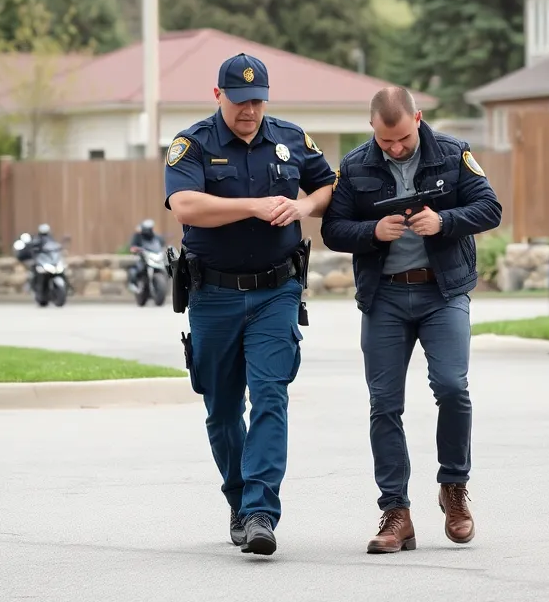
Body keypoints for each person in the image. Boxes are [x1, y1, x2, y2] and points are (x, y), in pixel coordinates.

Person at [164, 53, 336, 556]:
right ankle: (239, 502)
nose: (249, 111)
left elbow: (330, 185)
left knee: (270, 396)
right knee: (221, 410)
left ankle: (261, 510)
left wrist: (303, 205)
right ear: (218, 96)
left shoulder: (290, 138)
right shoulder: (191, 144)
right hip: (212, 294)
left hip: (276, 293)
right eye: (240, 101)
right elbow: (185, 205)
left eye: (257, 100)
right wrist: (253, 207)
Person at [320, 87, 502, 554]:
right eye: (386, 141)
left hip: (443, 292)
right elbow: (333, 230)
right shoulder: (356, 165)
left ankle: (454, 489)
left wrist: (444, 222)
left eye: (402, 138)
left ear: (418, 119)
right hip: (384, 298)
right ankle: (396, 513)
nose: (396, 148)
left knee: (452, 387)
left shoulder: (453, 154)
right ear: (372, 130)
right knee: (384, 404)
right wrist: (371, 232)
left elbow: (490, 208)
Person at [126, 218, 163, 285]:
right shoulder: (138, 236)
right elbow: (132, 246)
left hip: (153, 256)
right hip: (142, 257)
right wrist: (135, 249)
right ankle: (134, 284)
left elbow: (161, 244)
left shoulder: (156, 237)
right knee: (137, 269)